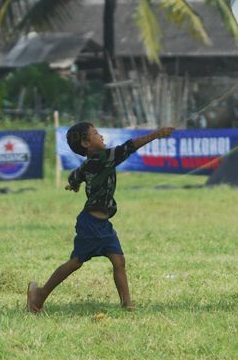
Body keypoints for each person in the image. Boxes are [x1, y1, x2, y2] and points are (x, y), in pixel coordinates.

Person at [27, 123, 174, 313]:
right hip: (90, 224)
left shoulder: (90, 162)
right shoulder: (103, 158)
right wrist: (156, 134)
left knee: (118, 260)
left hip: (103, 224)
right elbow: (129, 147)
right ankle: (39, 295)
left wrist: (74, 184)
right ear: (86, 143)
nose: (101, 136)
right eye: (96, 133)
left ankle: (127, 305)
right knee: (75, 262)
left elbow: (76, 175)